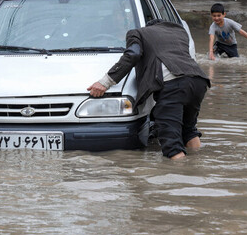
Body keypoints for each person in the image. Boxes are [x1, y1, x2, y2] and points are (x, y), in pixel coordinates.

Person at [87, 19, 210, 160]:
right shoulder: (179, 32)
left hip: (173, 83)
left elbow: (132, 55)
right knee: (189, 130)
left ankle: (181, 177)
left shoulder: (138, 33)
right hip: (199, 80)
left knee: (171, 143)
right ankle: (198, 164)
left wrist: (105, 82)